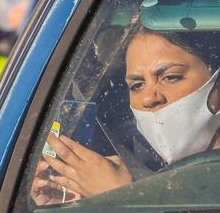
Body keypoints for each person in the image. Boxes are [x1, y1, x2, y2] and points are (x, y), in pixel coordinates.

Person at [36, 27, 220, 203]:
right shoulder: (144, 167)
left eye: (171, 77)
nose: (148, 98)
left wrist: (127, 198)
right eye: (137, 85)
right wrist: (71, 204)